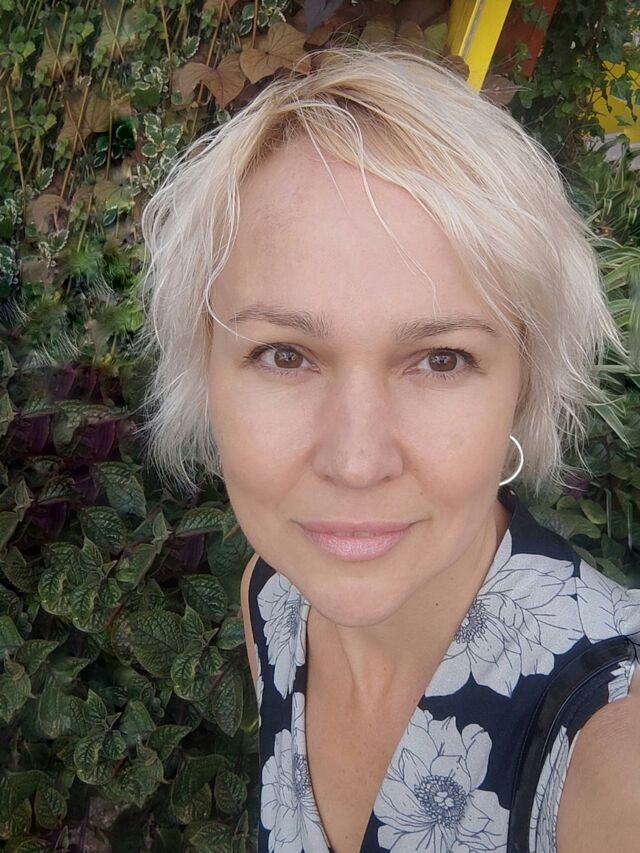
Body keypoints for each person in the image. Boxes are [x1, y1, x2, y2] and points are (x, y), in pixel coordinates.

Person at [136, 45, 640, 853]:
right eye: (284, 354)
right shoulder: (275, 599)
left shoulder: (613, 753)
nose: (357, 460)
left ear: (523, 386)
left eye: (441, 359)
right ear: (207, 373)